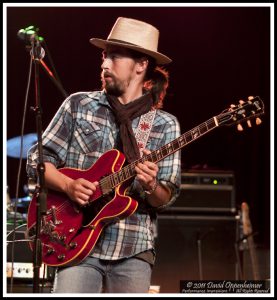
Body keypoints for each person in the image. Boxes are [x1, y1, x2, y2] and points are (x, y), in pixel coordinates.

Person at [26, 17, 181, 293]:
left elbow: (165, 197)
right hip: (76, 245)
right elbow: (38, 160)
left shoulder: (164, 125)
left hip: (133, 249)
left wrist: (151, 185)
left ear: (141, 65)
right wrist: (68, 185)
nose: (104, 64)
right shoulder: (79, 105)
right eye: (104, 56)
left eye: (115, 57)